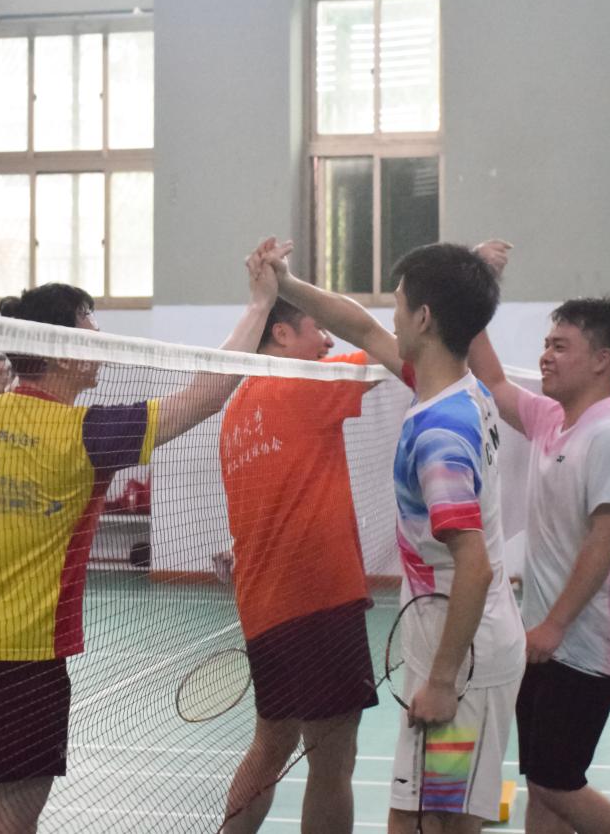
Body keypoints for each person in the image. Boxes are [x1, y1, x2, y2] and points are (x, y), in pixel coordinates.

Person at [0, 254, 279, 834]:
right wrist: (260, 305)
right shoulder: (88, 434)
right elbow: (205, 395)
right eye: (91, 331)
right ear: (62, 350)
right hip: (25, 663)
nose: (101, 342)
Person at [266, 239, 526, 834]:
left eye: (400, 304)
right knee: (413, 817)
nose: (391, 317)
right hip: (446, 640)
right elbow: (358, 325)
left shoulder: (441, 434)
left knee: (441, 820)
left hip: (463, 658)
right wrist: (286, 282)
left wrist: (442, 681)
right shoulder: (448, 385)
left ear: (424, 319)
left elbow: (476, 565)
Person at [467, 287, 610, 834]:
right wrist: (473, 296)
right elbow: (492, 381)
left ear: (601, 360)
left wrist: (554, 625)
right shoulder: (550, 418)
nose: (545, 356)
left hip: (588, 646)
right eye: (547, 344)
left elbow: (605, 541)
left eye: (560, 346)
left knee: (556, 783)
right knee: (541, 786)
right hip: (547, 640)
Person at [220, 286, 378, 833]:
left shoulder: (236, 409)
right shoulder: (305, 382)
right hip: (319, 602)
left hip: (263, 610)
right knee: (333, 761)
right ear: (283, 333)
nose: (328, 340)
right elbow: (399, 347)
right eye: (318, 328)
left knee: (271, 745)